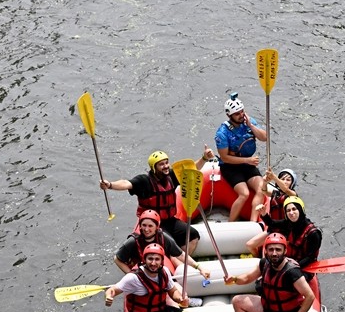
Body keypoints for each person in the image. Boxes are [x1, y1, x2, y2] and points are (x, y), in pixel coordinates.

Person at [100, 148, 216, 255]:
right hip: (153, 224)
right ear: (154, 167)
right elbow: (126, 183)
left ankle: (181, 262)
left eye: (166, 163)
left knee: (193, 235)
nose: (166, 166)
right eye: (161, 164)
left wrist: (204, 158)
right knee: (169, 242)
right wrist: (110, 185)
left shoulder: (171, 176)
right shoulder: (144, 181)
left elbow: (192, 169)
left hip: (171, 221)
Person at [225, 233, 315, 312]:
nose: (274, 253)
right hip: (268, 305)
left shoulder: (292, 272)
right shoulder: (264, 263)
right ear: (266, 251)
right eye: (271, 249)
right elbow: (247, 278)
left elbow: (310, 296)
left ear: (285, 251)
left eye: (278, 250)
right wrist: (234, 279)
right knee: (237, 300)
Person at [105, 244, 198, 312]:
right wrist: (109, 297)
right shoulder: (133, 278)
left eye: (157, 259)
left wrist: (180, 298)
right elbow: (112, 290)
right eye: (150, 259)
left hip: (161, 309)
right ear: (144, 260)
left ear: (162, 261)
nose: (153, 263)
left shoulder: (165, 271)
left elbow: (173, 291)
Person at [115, 209, 210, 287]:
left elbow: (181, 255)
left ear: (157, 226)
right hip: (142, 272)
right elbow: (117, 259)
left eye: (150, 226)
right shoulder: (133, 241)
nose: (146, 229)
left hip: (158, 271)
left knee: (176, 288)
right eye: (144, 225)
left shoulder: (163, 237)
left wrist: (199, 268)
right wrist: (131, 274)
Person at [214, 93, 268, 222]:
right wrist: (247, 160)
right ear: (230, 115)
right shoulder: (222, 133)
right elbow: (225, 157)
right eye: (237, 113)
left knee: (261, 188)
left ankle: (253, 222)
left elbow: (264, 137)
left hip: (247, 164)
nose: (241, 115)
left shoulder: (249, 122)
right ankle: (231, 222)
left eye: (242, 111)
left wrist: (251, 126)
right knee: (244, 193)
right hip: (230, 167)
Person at [246, 195, 321, 270]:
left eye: (294, 209)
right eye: (288, 210)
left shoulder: (314, 233)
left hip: (302, 267)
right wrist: (264, 213)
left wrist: (291, 267)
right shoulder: (288, 223)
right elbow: (272, 223)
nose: (291, 213)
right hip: (289, 260)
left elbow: (310, 258)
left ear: (300, 210)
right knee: (263, 262)